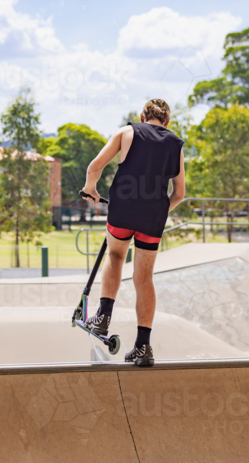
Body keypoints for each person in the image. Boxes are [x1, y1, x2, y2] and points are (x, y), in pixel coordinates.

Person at [81, 98, 185, 367]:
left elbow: (94, 167)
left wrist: (91, 189)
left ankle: (102, 317)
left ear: (142, 117)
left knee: (115, 257)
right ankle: (143, 347)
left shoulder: (127, 132)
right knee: (144, 277)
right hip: (153, 216)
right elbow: (180, 193)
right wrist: (160, 211)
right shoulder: (175, 144)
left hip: (123, 209)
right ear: (167, 121)